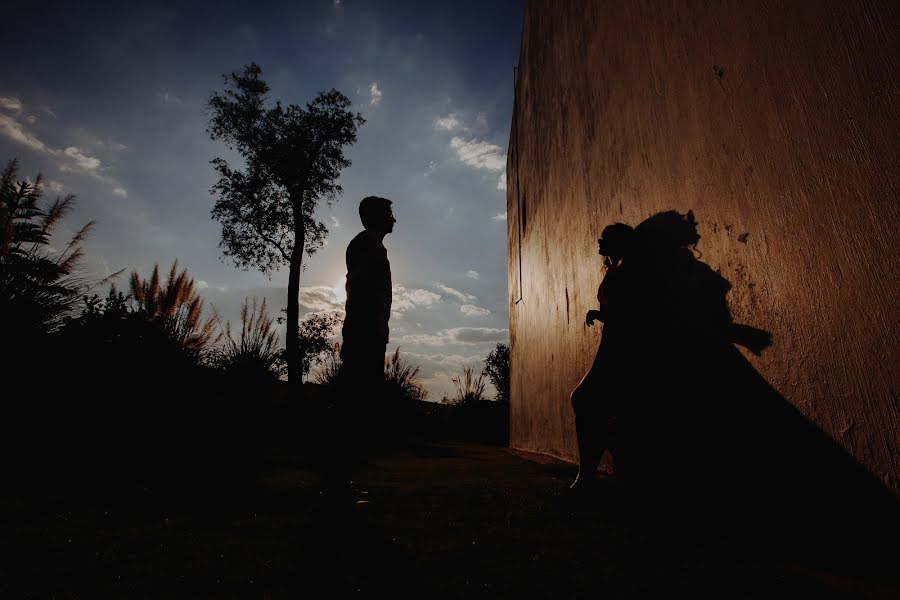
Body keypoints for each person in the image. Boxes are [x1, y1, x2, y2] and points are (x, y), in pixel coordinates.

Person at [323, 195, 396, 503]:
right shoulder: (366, 246)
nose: (394, 219)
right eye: (389, 213)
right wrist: (367, 331)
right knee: (352, 406)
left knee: (357, 407)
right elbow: (361, 293)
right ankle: (337, 485)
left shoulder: (372, 245)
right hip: (364, 334)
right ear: (375, 216)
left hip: (369, 332)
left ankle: (341, 483)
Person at [569, 222, 640, 491]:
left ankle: (586, 476)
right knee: (599, 406)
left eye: (604, 238)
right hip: (611, 344)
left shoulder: (629, 270)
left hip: (623, 347)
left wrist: (600, 314)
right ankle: (588, 474)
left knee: (586, 400)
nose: (599, 242)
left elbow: (633, 312)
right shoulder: (616, 269)